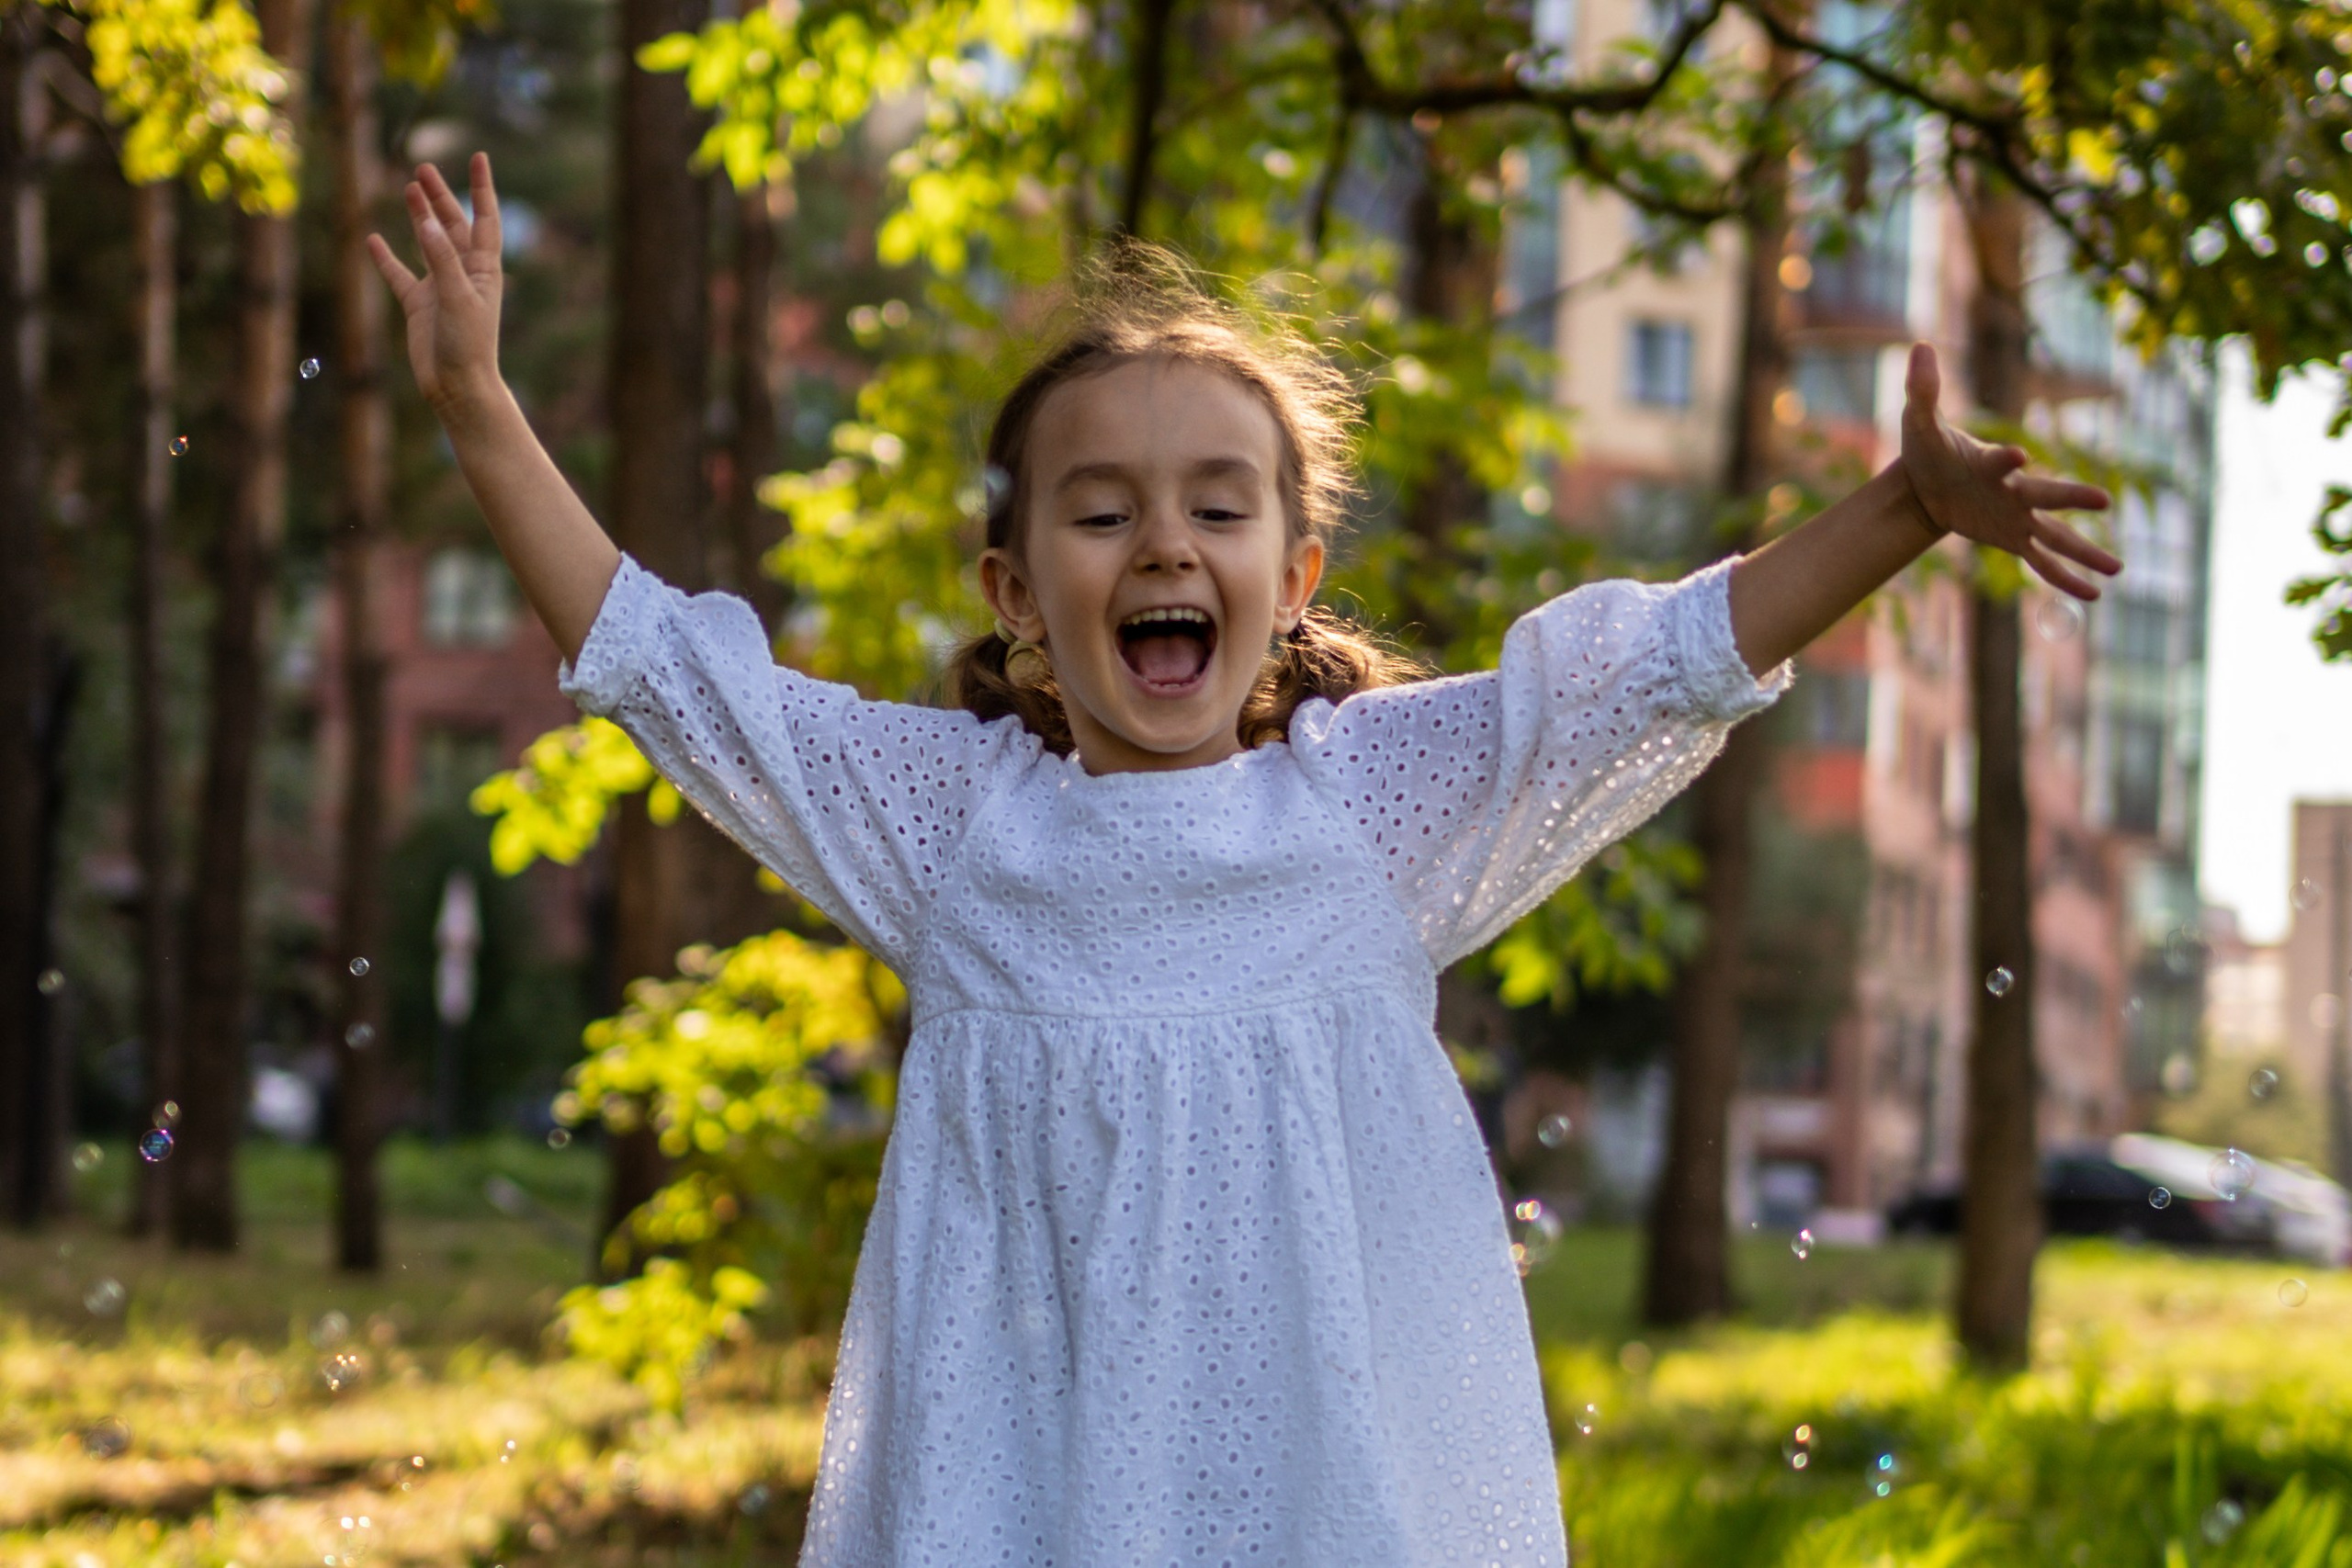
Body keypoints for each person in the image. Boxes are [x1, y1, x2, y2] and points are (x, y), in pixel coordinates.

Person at [371, 153, 2118, 1566]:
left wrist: (1898, 511)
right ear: (1014, 592)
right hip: (1025, 1496)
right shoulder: (955, 832)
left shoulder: (1373, 810)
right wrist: (475, 407)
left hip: (1330, 1496)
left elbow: (1644, 668)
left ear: (1290, 580)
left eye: (1219, 505)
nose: (1163, 541)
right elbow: (676, 673)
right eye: (1101, 506)